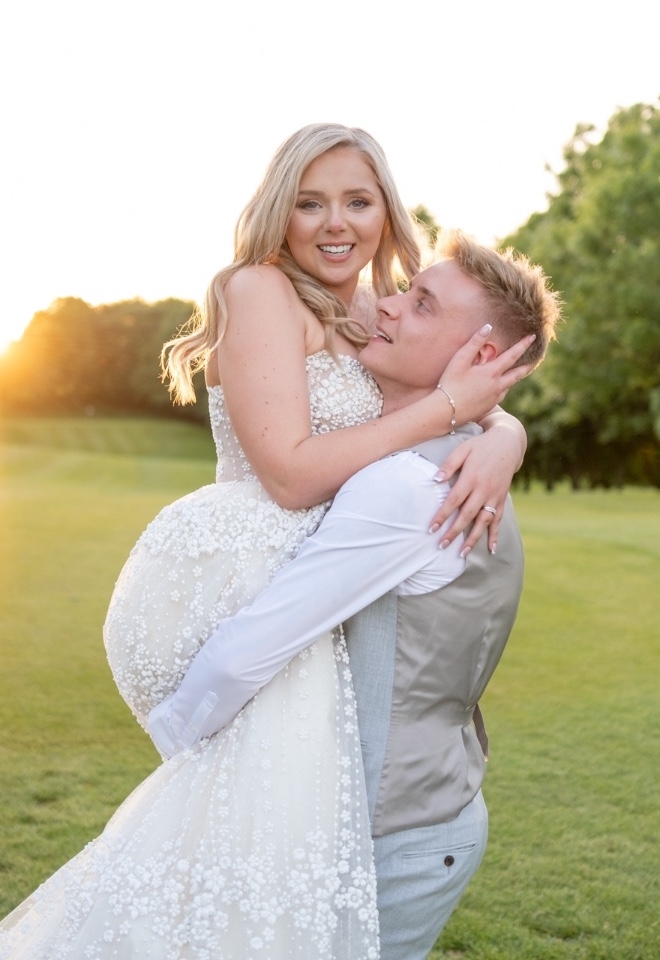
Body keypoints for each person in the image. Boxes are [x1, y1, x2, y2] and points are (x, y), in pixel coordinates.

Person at [0, 126, 529, 959]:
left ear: (387, 212)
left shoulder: (370, 309)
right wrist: (453, 411)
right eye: (310, 202)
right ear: (279, 211)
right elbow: (288, 474)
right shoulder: (258, 290)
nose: (335, 222)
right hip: (237, 571)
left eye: (357, 201)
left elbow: (452, 383)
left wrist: (506, 435)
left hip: (303, 578)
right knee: (257, 824)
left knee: (262, 851)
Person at [149, 232, 562, 959]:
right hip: (416, 812)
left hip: (394, 833)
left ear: (482, 359)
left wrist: (176, 746)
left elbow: (260, 641)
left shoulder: (409, 486)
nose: (388, 306)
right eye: (407, 290)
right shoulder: (440, 449)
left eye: (423, 305)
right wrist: (506, 427)